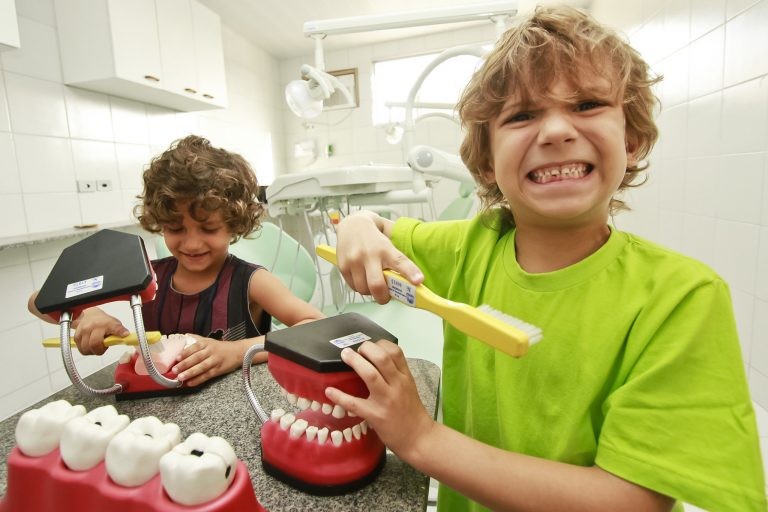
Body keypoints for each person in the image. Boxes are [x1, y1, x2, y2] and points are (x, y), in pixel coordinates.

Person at [325, 6, 766, 512]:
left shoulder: (681, 298)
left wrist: (421, 438)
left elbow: (633, 502)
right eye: (522, 115)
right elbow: (376, 229)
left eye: (587, 104)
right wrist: (357, 226)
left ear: (632, 140)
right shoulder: (473, 247)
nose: (556, 130)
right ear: (487, 162)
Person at [29, 135, 324, 387]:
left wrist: (236, 352)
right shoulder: (144, 276)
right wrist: (86, 315)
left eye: (209, 229)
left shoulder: (252, 281)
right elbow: (39, 300)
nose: (192, 243)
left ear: (234, 224)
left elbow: (317, 327)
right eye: (175, 228)